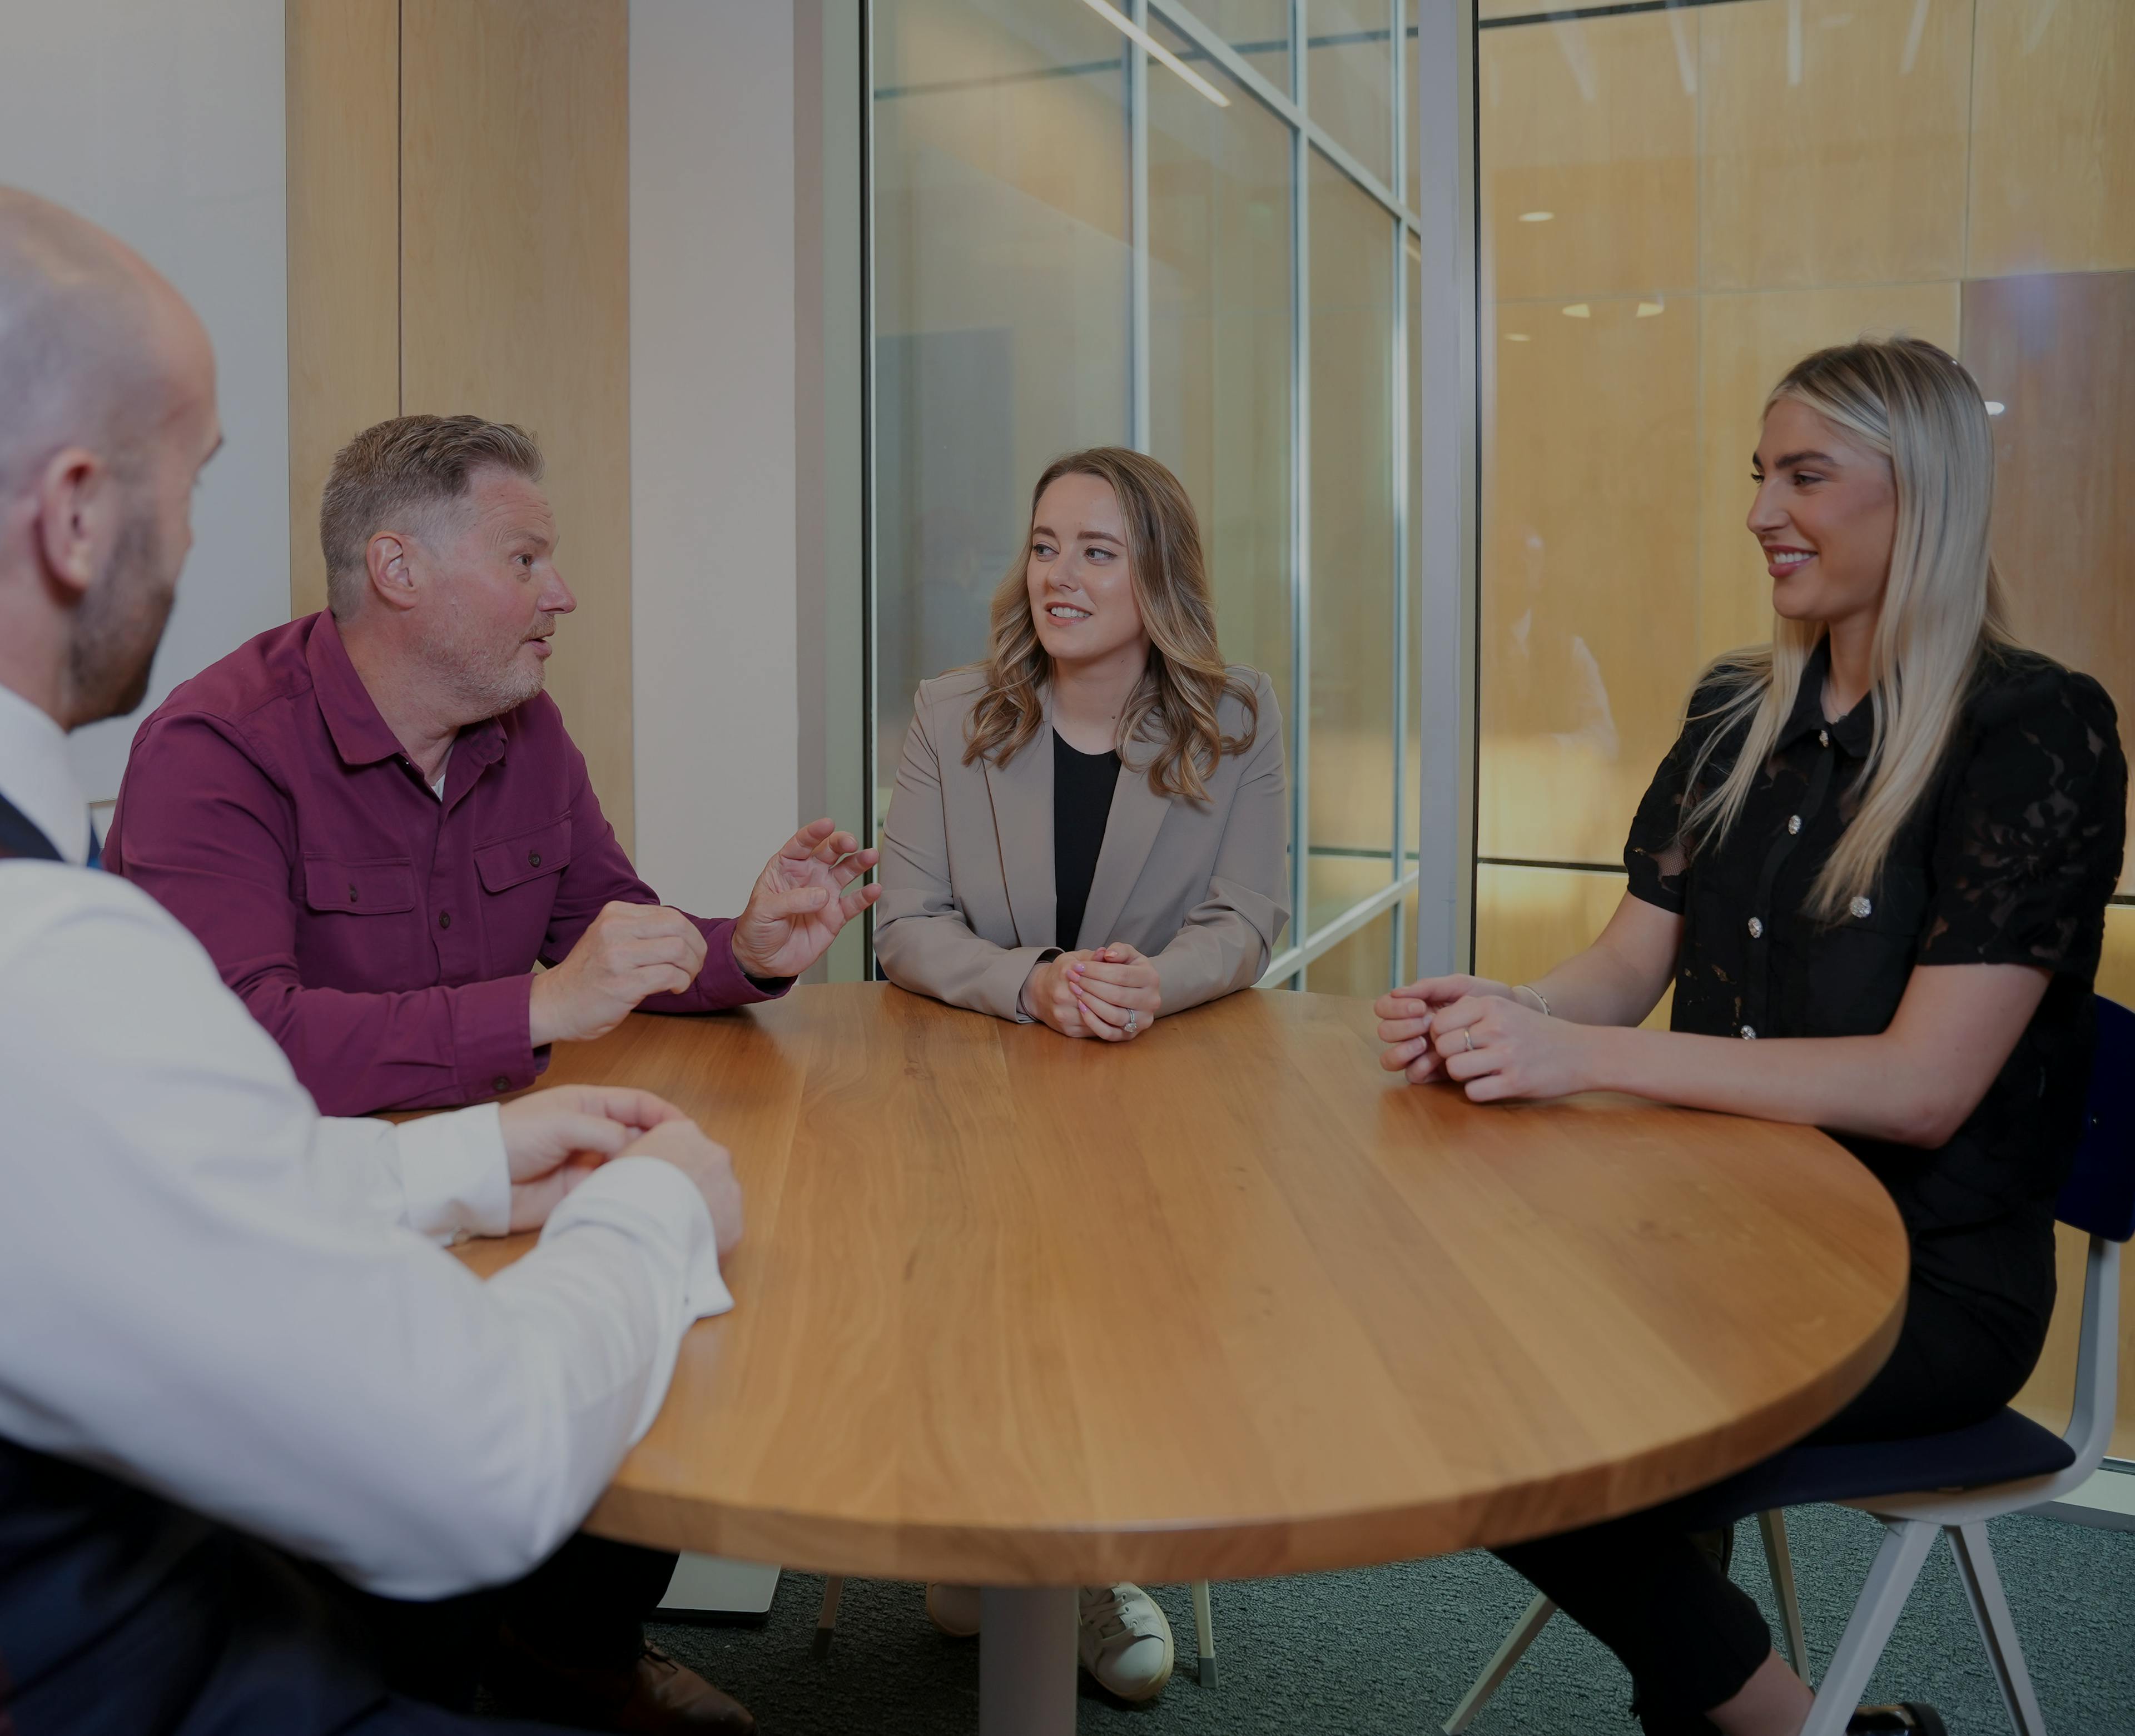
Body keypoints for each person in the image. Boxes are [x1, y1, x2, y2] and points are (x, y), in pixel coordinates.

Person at [0, 187, 754, 1735]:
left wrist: (474, 1156)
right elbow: (473, 1466)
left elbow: (128, 1169)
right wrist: (654, 1212)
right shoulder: (74, 918)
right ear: (77, 515)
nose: (201, 537)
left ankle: (571, 1652)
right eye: (187, 481)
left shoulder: (522, 737)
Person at [1377, 337, 2126, 1736]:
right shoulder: (1736, 709)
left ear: (1926, 498)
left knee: (1556, 1426)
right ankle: (1805, 1722)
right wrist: (1509, 1013)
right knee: (1457, 1363)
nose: (1761, 509)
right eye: (1759, 474)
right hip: (1706, 1232)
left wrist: (1582, 1061)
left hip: (1924, 1277)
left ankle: (1770, 1720)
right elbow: (1624, 964)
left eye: (1806, 474)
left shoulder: (2038, 732)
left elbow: (1920, 1087)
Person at [105, 411, 878, 1118]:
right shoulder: (213, 751)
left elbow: (610, 937)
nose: (564, 595)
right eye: (524, 560)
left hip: (478, 1152)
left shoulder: (527, 727)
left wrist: (742, 949)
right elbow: (240, 1042)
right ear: (398, 570)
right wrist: (537, 1007)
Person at [874, 445, 1288, 1700]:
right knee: (983, 1273)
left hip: (1143, 1088)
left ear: (1157, 575)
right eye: (1046, 544)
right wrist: (1038, 980)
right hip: (973, 1089)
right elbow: (906, 926)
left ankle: (1082, 1555)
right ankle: (990, 1527)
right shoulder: (955, 712)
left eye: (1097, 551)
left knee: (1125, 1295)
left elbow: (1250, 916)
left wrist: (1158, 981)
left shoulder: (1235, 718)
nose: (1059, 574)